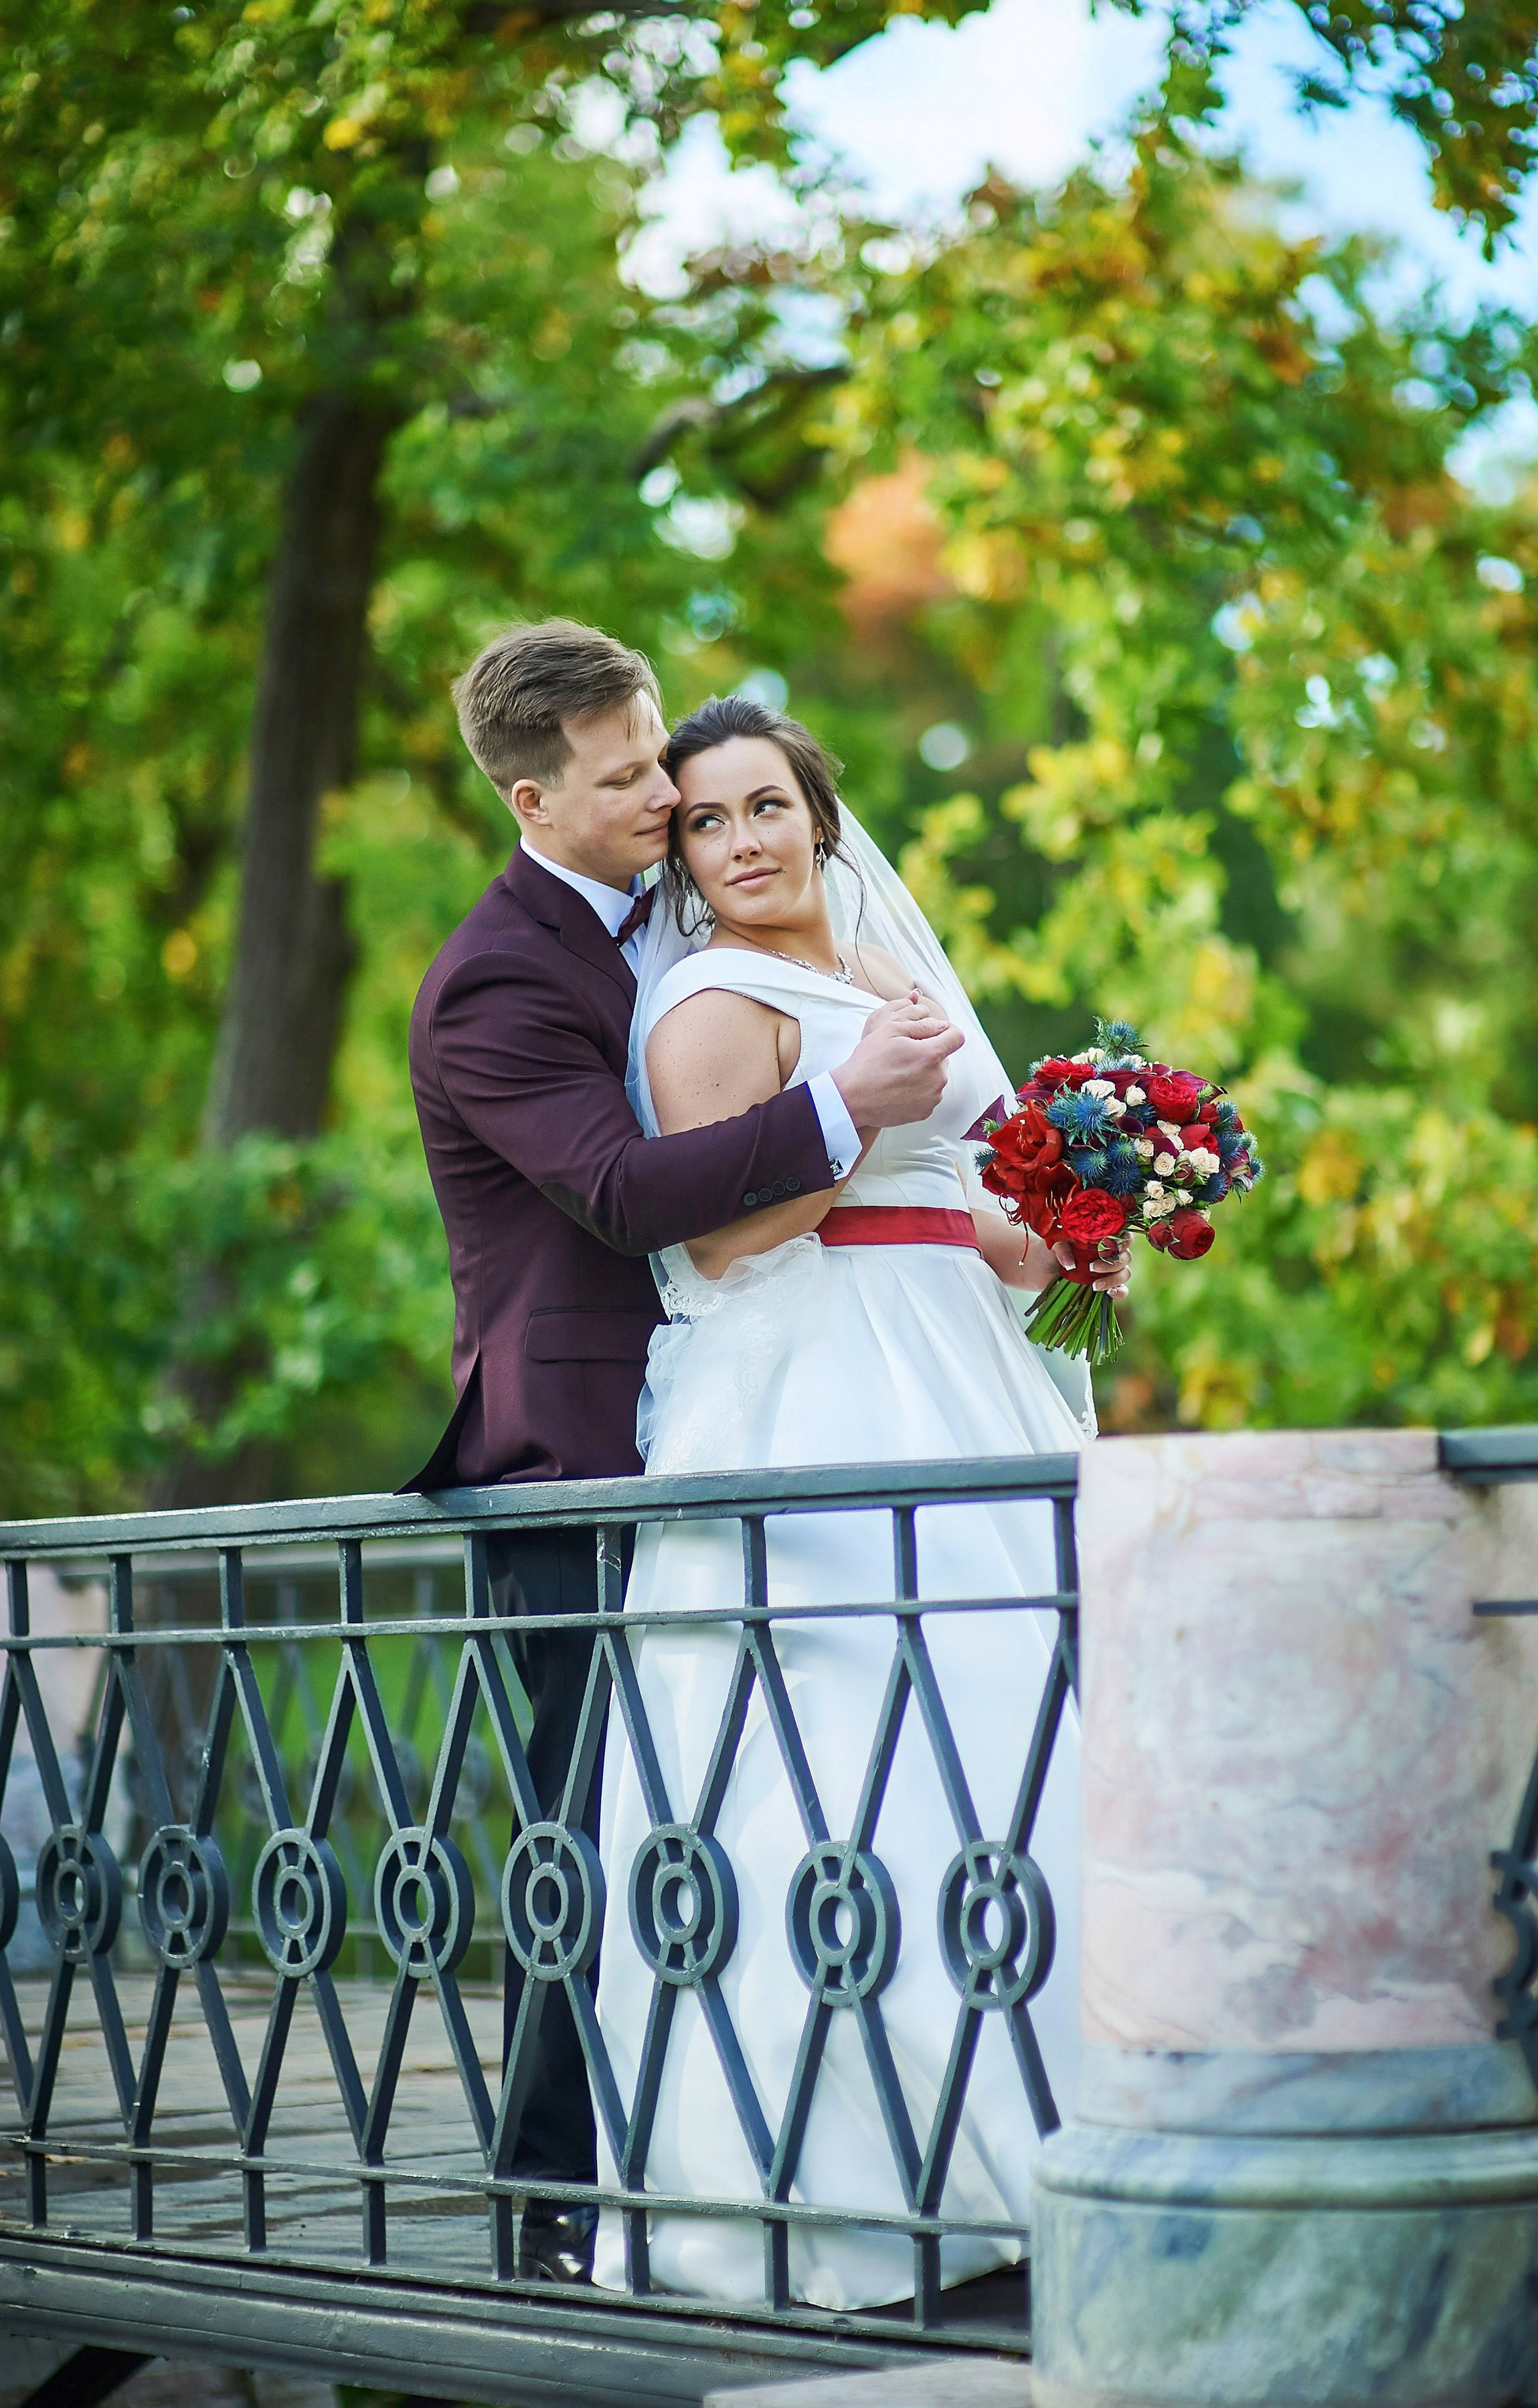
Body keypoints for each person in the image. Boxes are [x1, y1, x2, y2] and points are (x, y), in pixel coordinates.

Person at [406, 623, 963, 2284]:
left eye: (664, 755)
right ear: (529, 799)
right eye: (629, 775)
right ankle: (546, 2209)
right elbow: (628, 1194)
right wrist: (851, 1105)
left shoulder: (657, 901)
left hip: (723, 1413)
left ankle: (767, 2136)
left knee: (726, 1798)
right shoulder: (497, 977)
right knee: (591, 1823)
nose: (667, 793)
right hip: (567, 1450)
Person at [589, 696, 1126, 2310]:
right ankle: (839, 2186)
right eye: (703, 822)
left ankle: (1051, 2147)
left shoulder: (887, 980)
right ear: (678, 855)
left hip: (958, 1363)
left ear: (819, 813)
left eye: (764, 807)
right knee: (835, 1752)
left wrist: (1070, 1232)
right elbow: (719, 1244)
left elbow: (965, 1207)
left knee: (1016, 1732)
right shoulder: (708, 1001)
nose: (740, 842)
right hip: (813, 1380)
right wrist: (871, 1118)